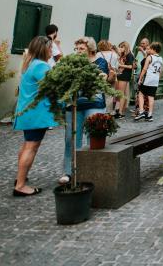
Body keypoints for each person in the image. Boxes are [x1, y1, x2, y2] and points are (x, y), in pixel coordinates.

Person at [13, 36, 57, 196]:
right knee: (31, 147)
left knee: (27, 145)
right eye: (50, 48)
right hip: (35, 114)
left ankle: (20, 178)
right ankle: (20, 185)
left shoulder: (30, 63)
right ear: (43, 49)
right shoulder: (41, 66)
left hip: (28, 113)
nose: (52, 51)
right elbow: (54, 86)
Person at [60, 37, 107, 184]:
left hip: (94, 103)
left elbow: (98, 80)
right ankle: (69, 172)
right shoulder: (72, 63)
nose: (78, 52)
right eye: (77, 49)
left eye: (82, 49)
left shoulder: (100, 62)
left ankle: (90, 170)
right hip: (73, 104)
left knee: (92, 138)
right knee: (71, 139)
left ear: (90, 49)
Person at [135, 42, 163, 122]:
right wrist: (158, 78)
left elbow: (144, 69)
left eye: (150, 48)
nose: (149, 50)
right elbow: (161, 71)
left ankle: (141, 111)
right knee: (151, 97)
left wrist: (140, 78)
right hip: (155, 80)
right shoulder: (161, 59)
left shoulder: (150, 57)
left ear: (154, 49)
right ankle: (150, 114)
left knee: (141, 93)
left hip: (148, 79)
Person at [114, 41, 134, 119]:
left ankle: (120, 112)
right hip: (120, 74)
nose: (120, 48)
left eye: (122, 47)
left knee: (121, 94)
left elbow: (130, 66)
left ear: (125, 47)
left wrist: (120, 65)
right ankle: (119, 110)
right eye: (120, 47)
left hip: (125, 75)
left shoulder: (130, 55)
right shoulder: (122, 55)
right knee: (120, 93)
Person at [133, 38, 150, 116]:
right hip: (137, 73)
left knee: (142, 93)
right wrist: (135, 64)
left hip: (144, 75)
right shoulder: (139, 52)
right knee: (137, 92)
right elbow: (136, 60)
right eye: (141, 43)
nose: (141, 45)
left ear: (147, 44)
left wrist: (142, 51)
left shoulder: (148, 51)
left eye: (143, 43)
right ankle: (138, 109)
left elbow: (147, 58)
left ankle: (142, 109)